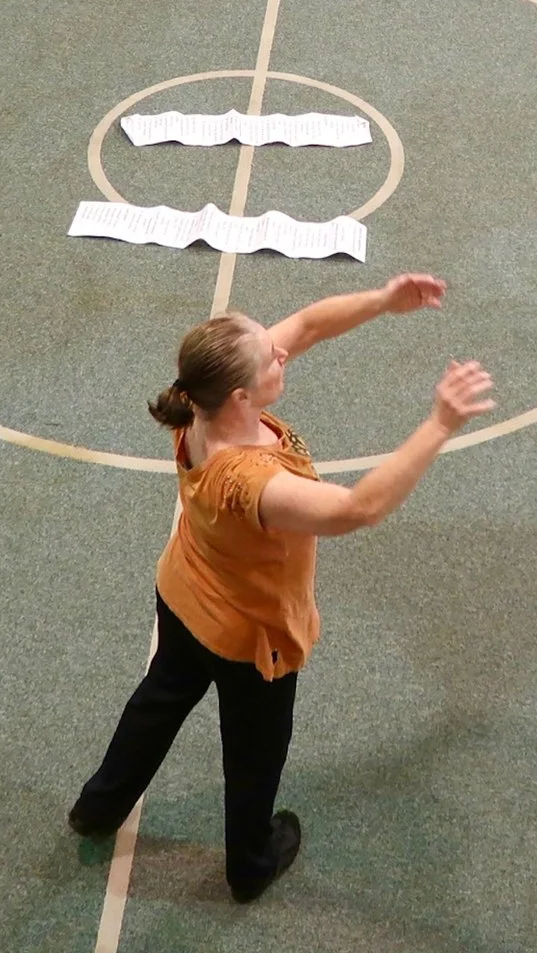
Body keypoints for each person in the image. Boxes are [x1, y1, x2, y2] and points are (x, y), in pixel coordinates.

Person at [68, 275, 493, 902]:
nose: (282, 350)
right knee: (254, 758)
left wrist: (383, 299)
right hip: (249, 635)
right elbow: (358, 509)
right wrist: (439, 423)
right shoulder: (250, 482)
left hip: (185, 593)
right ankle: (249, 864)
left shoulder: (200, 404)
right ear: (242, 395)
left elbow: (311, 325)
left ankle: (98, 808)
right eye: (271, 357)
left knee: (156, 703)